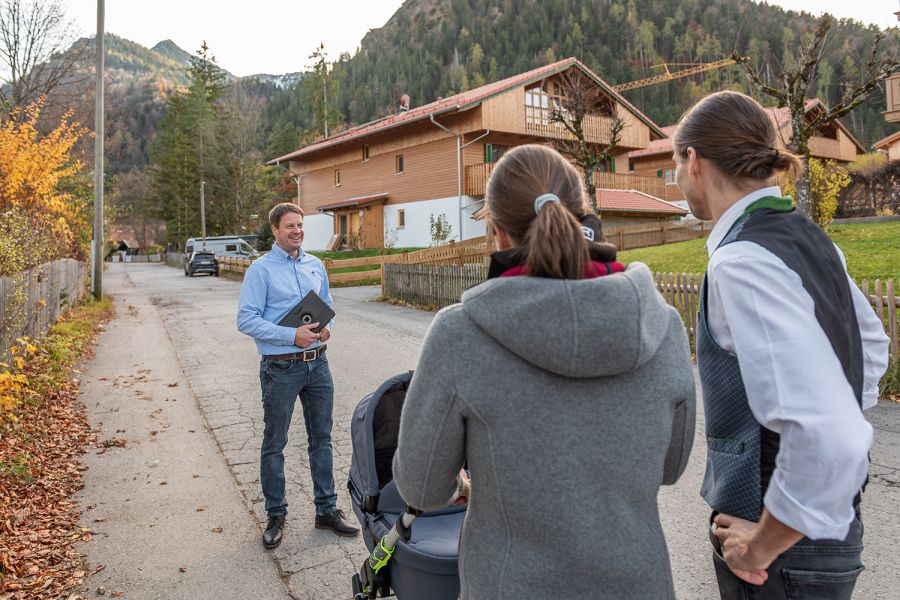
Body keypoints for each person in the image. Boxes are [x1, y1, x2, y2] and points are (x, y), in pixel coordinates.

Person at [392, 144, 696, 599]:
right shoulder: (663, 324)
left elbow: (421, 485)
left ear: (496, 232)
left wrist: (465, 486)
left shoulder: (460, 334)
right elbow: (670, 468)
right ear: (585, 218)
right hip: (637, 583)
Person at [672, 91, 890, 599]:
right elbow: (872, 348)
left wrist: (762, 544)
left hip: (779, 555)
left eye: (675, 165)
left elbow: (827, 435)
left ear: (694, 162)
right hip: (827, 536)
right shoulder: (811, 240)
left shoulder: (741, 261)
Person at [237, 202, 359, 550]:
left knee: (322, 438)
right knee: (275, 442)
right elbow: (246, 320)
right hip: (281, 368)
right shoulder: (260, 270)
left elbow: (327, 304)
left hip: (318, 364)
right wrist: (292, 335)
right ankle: (276, 514)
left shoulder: (315, 264)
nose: (297, 231)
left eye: (301, 225)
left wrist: (326, 329)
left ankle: (326, 510)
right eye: (290, 226)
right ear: (274, 229)